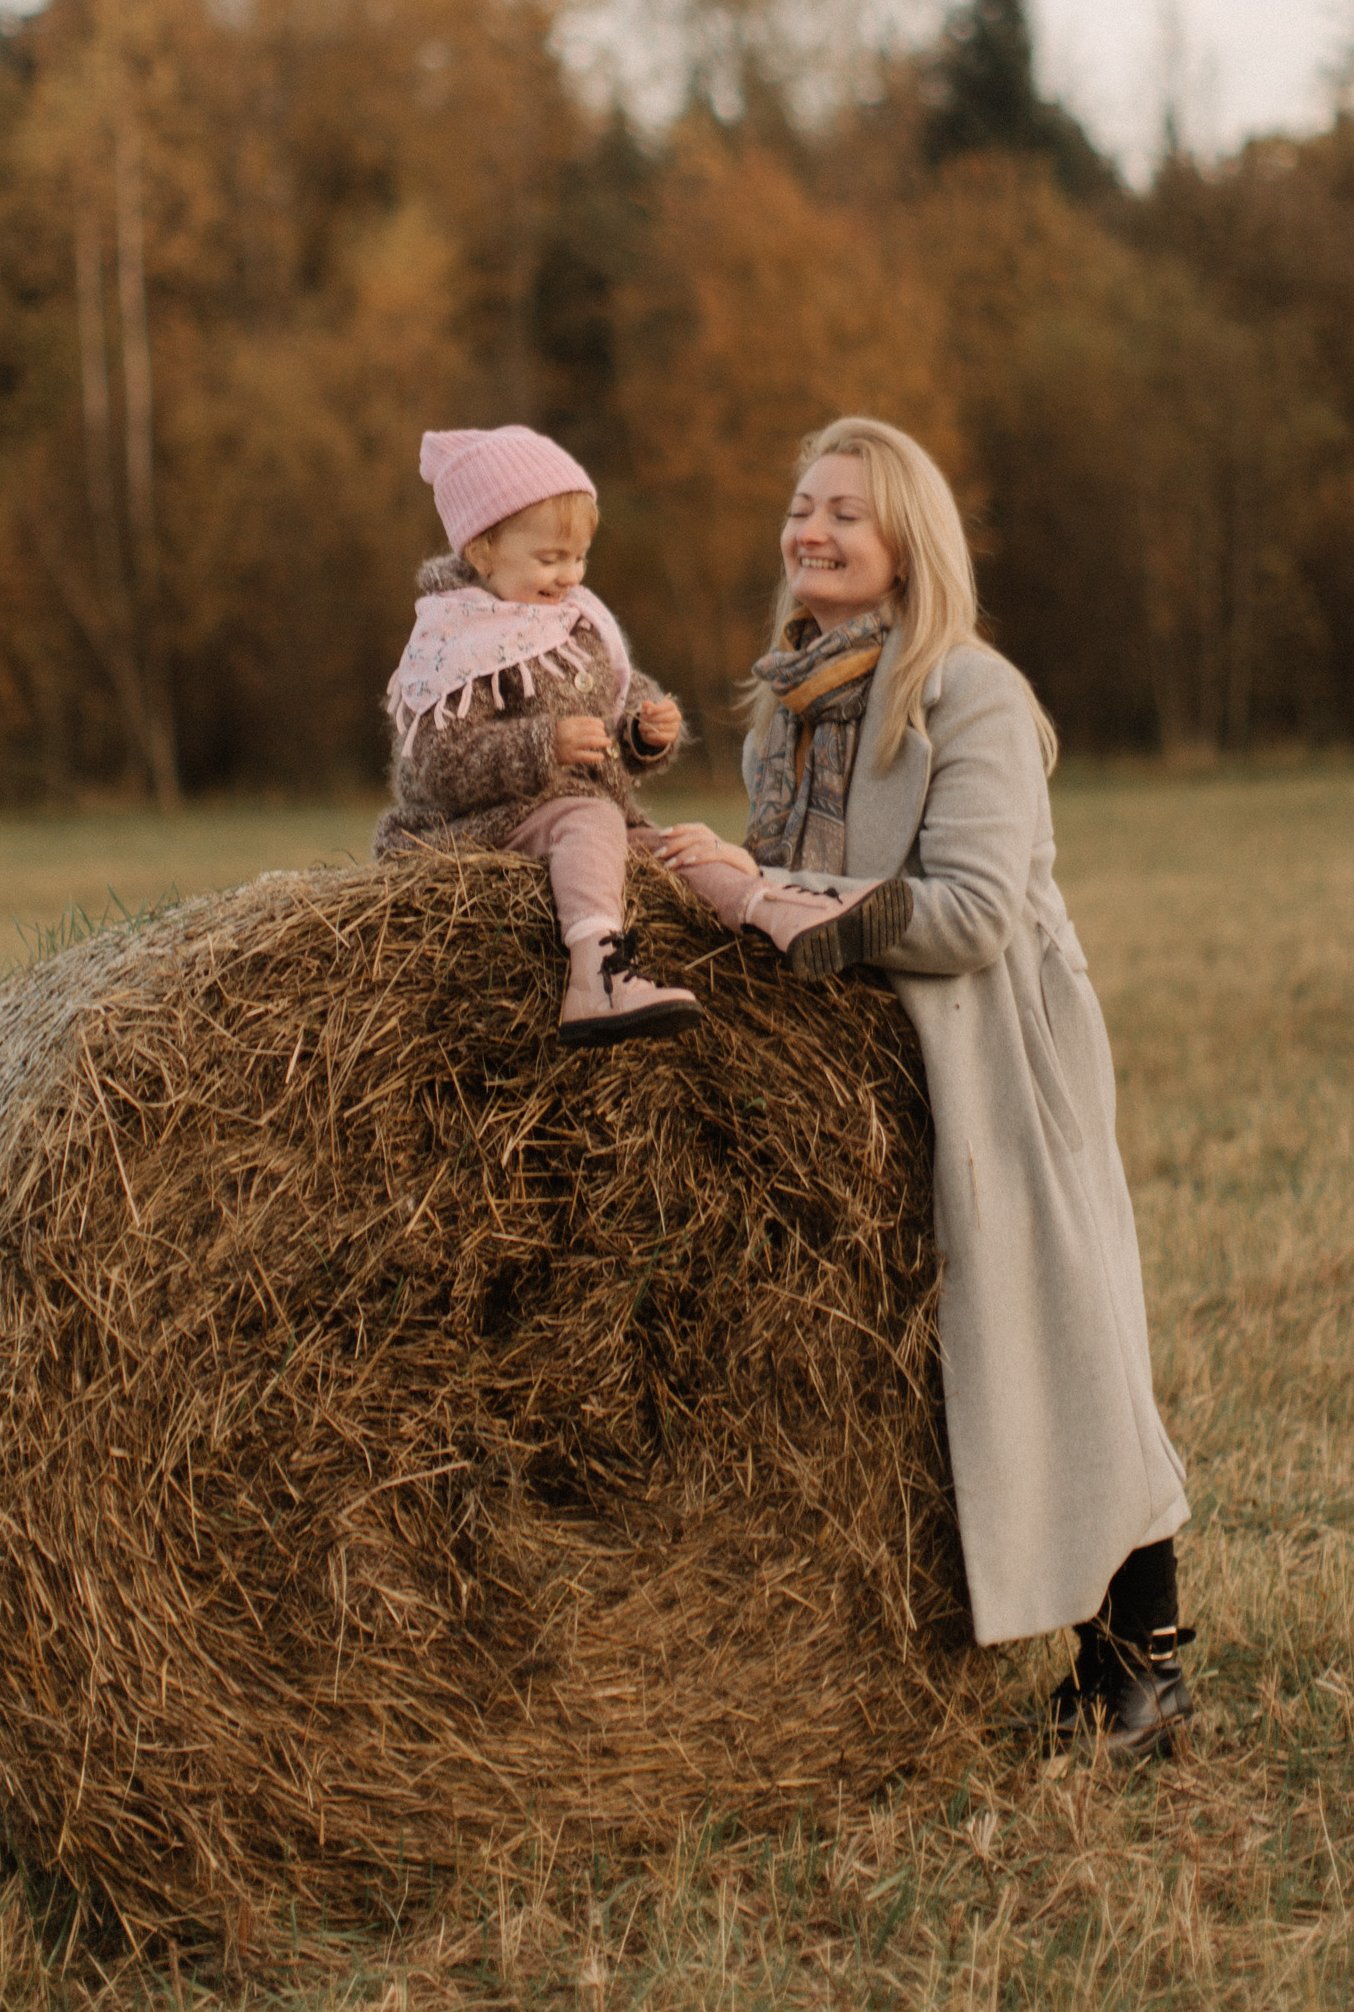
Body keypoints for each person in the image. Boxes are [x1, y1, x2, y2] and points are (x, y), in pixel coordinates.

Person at [653, 415, 1194, 1758]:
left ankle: (1145, 1674)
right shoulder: (789, 703)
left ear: (908, 541)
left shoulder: (971, 693)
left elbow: (966, 920)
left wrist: (759, 889)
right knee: (941, 1361)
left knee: (1062, 1340)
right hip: (869, 1073)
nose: (812, 530)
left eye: (847, 510)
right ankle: (1055, 1657)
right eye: (800, 505)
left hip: (1000, 1048)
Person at [374, 425, 911, 1044]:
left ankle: (783, 913)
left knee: (677, 849)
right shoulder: (452, 642)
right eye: (549, 559)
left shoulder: (574, 623)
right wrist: (543, 745)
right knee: (592, 819)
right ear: (482, 550)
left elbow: (620, 702)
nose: (568, 575)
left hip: (581, 820)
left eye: (578, 558)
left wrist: (643, 731)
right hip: (477, 828)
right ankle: (595, 972)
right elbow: (440, 766)